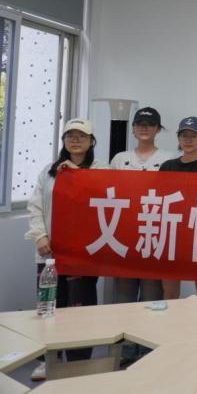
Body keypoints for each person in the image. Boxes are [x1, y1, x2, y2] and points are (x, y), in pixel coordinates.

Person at [25, 118, 109, 380]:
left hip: (84, 253)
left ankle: (78, 360)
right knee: (49, 306)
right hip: (50, 252)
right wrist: (40, 236)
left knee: (80, 308)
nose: (75, 140)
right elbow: (35, 206)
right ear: (63, 141)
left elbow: (103, 197)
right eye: (70, 136)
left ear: (91, 141)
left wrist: (76, 173)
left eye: (81, 136)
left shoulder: (101, 169)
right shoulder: (49, 171)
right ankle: (48, 358)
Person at [109, 106, 175, 365]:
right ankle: (126, 350)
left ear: (158, 129)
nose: (144, 128)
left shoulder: (168, 158)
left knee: (152, 297)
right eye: (139, 124)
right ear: (133, 128)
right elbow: (106, 191)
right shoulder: (120, 159)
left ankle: (148, 348)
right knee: (124, 297)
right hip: (124, 235)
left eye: (150, 124)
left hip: (154, 234)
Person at [159, 116, 197, 300]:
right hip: (172, 232)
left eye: (194, 136)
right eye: (184, 136)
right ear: (178, 138)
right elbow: (159, 199)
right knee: (169, 291)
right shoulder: (168, 167)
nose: (188, 140)